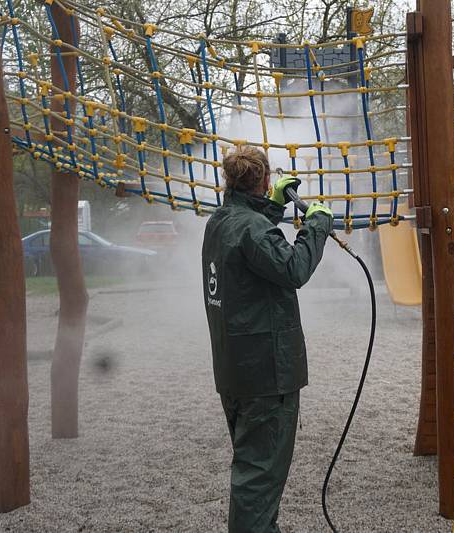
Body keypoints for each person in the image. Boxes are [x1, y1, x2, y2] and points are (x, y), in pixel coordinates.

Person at [202, 146, 333, 532]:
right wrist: (317, 225)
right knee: (258, 478)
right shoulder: (251, 228)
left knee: (252, 469)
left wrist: (272, 206)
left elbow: (254, 251)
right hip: (266, 373)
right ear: (262, 180)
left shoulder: (221, 221)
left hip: (237, 371)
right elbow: (292, 268)